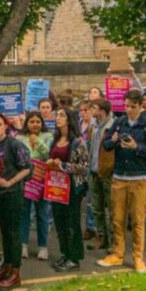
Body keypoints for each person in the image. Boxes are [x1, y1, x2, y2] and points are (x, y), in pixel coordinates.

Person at [97, 89, 146, 274]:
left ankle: (138, 257)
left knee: (138, 220)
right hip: (119, 176)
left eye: (133, 106)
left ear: (140, 106)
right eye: (127, 106)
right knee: (117, 218)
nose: (129, 110)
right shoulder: (119, 122)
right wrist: (114, 141)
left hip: (139, 177)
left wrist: (136, 147)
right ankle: (118, 253)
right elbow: (106, 145)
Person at [0, 112, 34, 291]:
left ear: (6, 126)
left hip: (13, 193)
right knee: (4, 232)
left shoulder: (15, 144)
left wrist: (10, 182)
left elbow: (26, 168)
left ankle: (15, 272)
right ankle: (6, 266)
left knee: (13, 233)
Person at [50, 107, 88, 272]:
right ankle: (65, 253)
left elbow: (83, 166)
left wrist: (63, 165)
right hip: (56, 186)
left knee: (72, 222)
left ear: (69, 119)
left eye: (61, 115)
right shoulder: (55, 139)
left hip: (72, 187)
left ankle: (74, 258)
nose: (58, 118)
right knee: (60, 222)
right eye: (57, 115)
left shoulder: (78, 142)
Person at [20, 111, 53, 261]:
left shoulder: (48, 136)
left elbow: (48, 155)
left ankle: (43, 247)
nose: (35, 124)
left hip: (42, 179)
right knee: (24, 213)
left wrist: (38, 141)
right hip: (26, 180)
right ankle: (23, 245)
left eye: (38, 122)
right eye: (32, 122)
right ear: (27, 123)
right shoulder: (20, 137)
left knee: (42, 213)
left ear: (42, 123)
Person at [84, 99, 115, 254]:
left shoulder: (112, 126)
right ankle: (101, 236)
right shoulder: (93, 125)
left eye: (94, 108)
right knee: (96, 207)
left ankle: (113, 241)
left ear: (102, 111)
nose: (91, 111)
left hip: (108, 172)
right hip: (94, 170)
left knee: (111, 208)